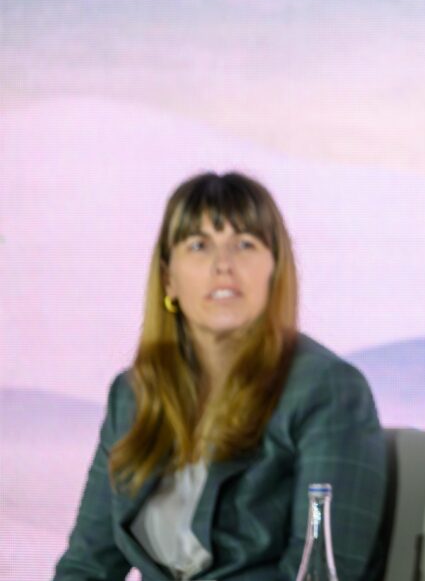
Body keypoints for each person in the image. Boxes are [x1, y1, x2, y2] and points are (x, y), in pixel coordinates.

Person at [54, 172, 388, 580]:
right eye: (199, 245)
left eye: (245, 244)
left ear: (275, 270)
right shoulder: (133, 396)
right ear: (169, 279)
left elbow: (320, 569)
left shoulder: (327, 391)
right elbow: (87, 565)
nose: (223, 265)